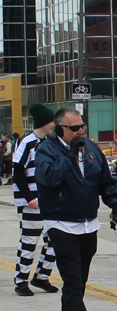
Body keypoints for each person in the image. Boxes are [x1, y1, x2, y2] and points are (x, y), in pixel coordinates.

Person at [35, 107, 117, 311]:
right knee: (72, 281)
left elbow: (105, 182)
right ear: (60, 128)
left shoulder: (92, 149)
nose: (80, 131)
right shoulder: (46, 151)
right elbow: (49, 179)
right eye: (75, 128)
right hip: (61, 223)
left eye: (82, 126)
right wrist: (69, 155)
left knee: (79, 282)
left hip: (88, 224)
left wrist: (116, 206)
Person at [13, 103, 58, 296]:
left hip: (49, 201)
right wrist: (29, 197)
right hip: (32, 202)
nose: (54, 125)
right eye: (51, 122)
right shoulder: (27, 142)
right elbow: (18, 172)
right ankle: (21, 281)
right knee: (29, 241)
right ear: (44, 123)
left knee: (55, 240)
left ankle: (42, 276)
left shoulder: (49, 142)